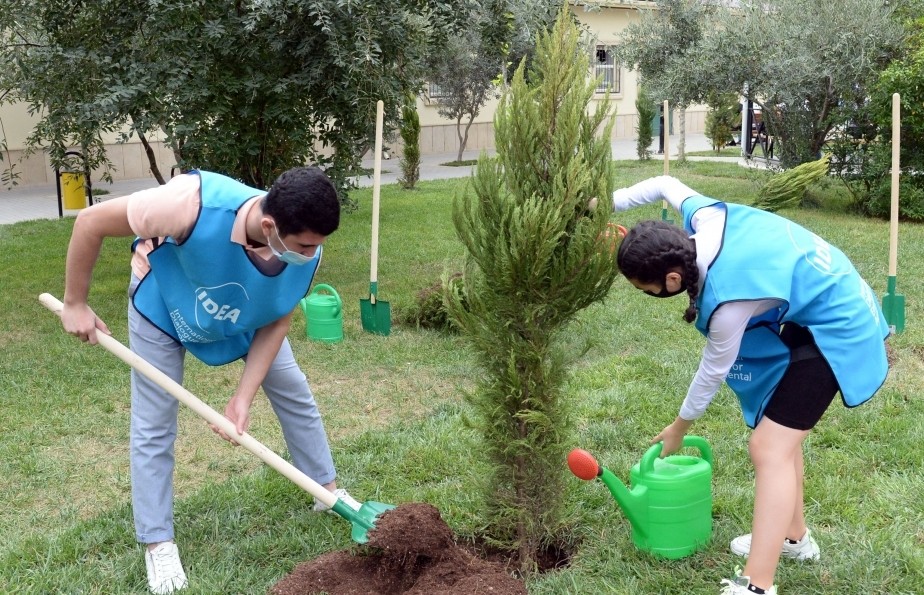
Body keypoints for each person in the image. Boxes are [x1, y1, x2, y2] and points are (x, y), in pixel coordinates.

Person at [60, 166, 361, 595]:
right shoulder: (187, 203)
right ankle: (157, 541)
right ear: (270, 225)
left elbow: (278, 316)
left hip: (247, 307)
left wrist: (242, 397)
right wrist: (75, 302)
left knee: (294, 391)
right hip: (166, 302)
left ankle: (326, 491)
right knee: (154, 421)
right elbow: (90, 221)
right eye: (305, 246)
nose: (312, 254)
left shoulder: (305, 246)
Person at [610, 176, 889, 595]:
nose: (642, 292)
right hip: (813, 311)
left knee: (768, 447)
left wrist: (679, 428)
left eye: (642, 287)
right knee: (780, 439)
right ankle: (795, 539)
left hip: (839, 326)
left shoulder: (728, 304)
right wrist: (603, 203)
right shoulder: (703, 219)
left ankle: (757, 585)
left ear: (671, 279)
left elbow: (711, 373)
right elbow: (665, 183)